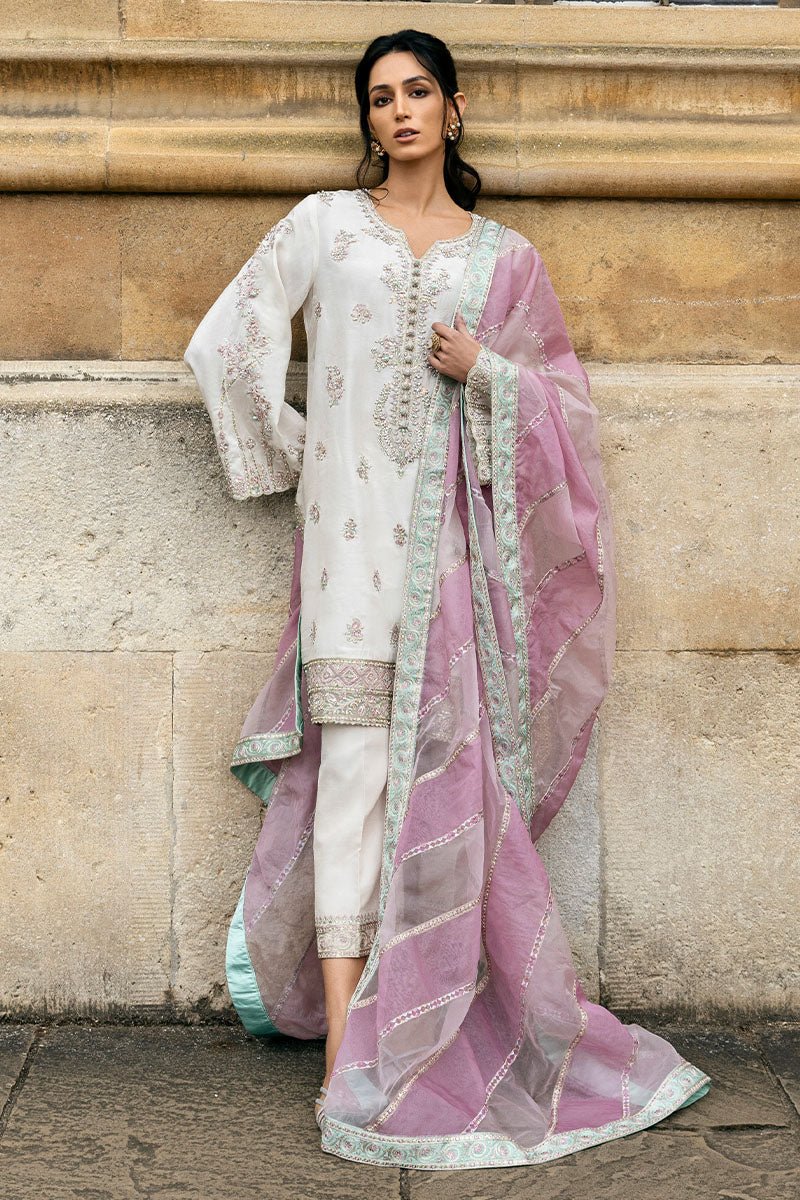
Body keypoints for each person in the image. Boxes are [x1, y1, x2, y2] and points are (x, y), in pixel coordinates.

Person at [183, 27, 711, 1172]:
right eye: (379, 99)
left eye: (417, 92)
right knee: (351, 785)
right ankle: (342, 1062)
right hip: (343, 553)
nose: (398, 113)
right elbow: (225, 346)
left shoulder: (503, 258)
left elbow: (562, 408)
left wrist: (489, 376)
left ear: (453, 111)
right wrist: (306, 456)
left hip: (457, 568)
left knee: (438, 782)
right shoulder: (323, 226)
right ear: (365, 120)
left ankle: (412, 1030)